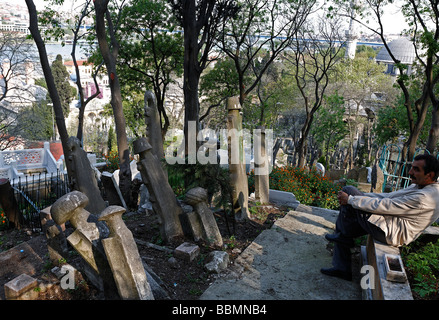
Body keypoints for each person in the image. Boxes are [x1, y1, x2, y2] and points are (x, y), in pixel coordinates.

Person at [321, 154, 439, 281]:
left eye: (416, 169)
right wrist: (360, 196)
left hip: (390, 232)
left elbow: (386, 205)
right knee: (351, 196)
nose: (410, 172)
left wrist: (351, 199)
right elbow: (388, 197)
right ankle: (343, 249)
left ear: (430, 175)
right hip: (388, 221)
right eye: (411, 168)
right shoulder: (420, 186)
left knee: (349, 194)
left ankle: (343, 247)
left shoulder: (425, 197)